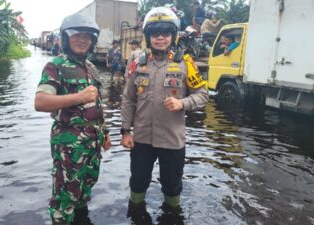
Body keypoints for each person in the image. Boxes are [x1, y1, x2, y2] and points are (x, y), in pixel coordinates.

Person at [120, 6, 209, 224]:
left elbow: (203, 95)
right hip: (141, 138)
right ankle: (137, 215)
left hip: (172, 139)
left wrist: (182, 103)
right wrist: (125, 131)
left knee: (172, 184)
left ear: (173, 35)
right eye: (155, 33)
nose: (160, 38)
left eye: (165, 33)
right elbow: (128, 99)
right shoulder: (137, 62)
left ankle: (172, 217)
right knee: (138, 181)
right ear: (148, 37)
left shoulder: (186, 63)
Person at [34, 13, 111, 225]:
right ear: (66, 38)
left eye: (87, 36)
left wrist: (105, 133)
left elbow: (96, 104)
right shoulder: (55, 65)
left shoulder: (90, 68)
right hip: (68, 144)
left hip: (92, 142)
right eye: (77, 35)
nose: (82, 40)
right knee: (65, 196)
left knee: (85, 190)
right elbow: (40, 102)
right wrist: (78, 97)